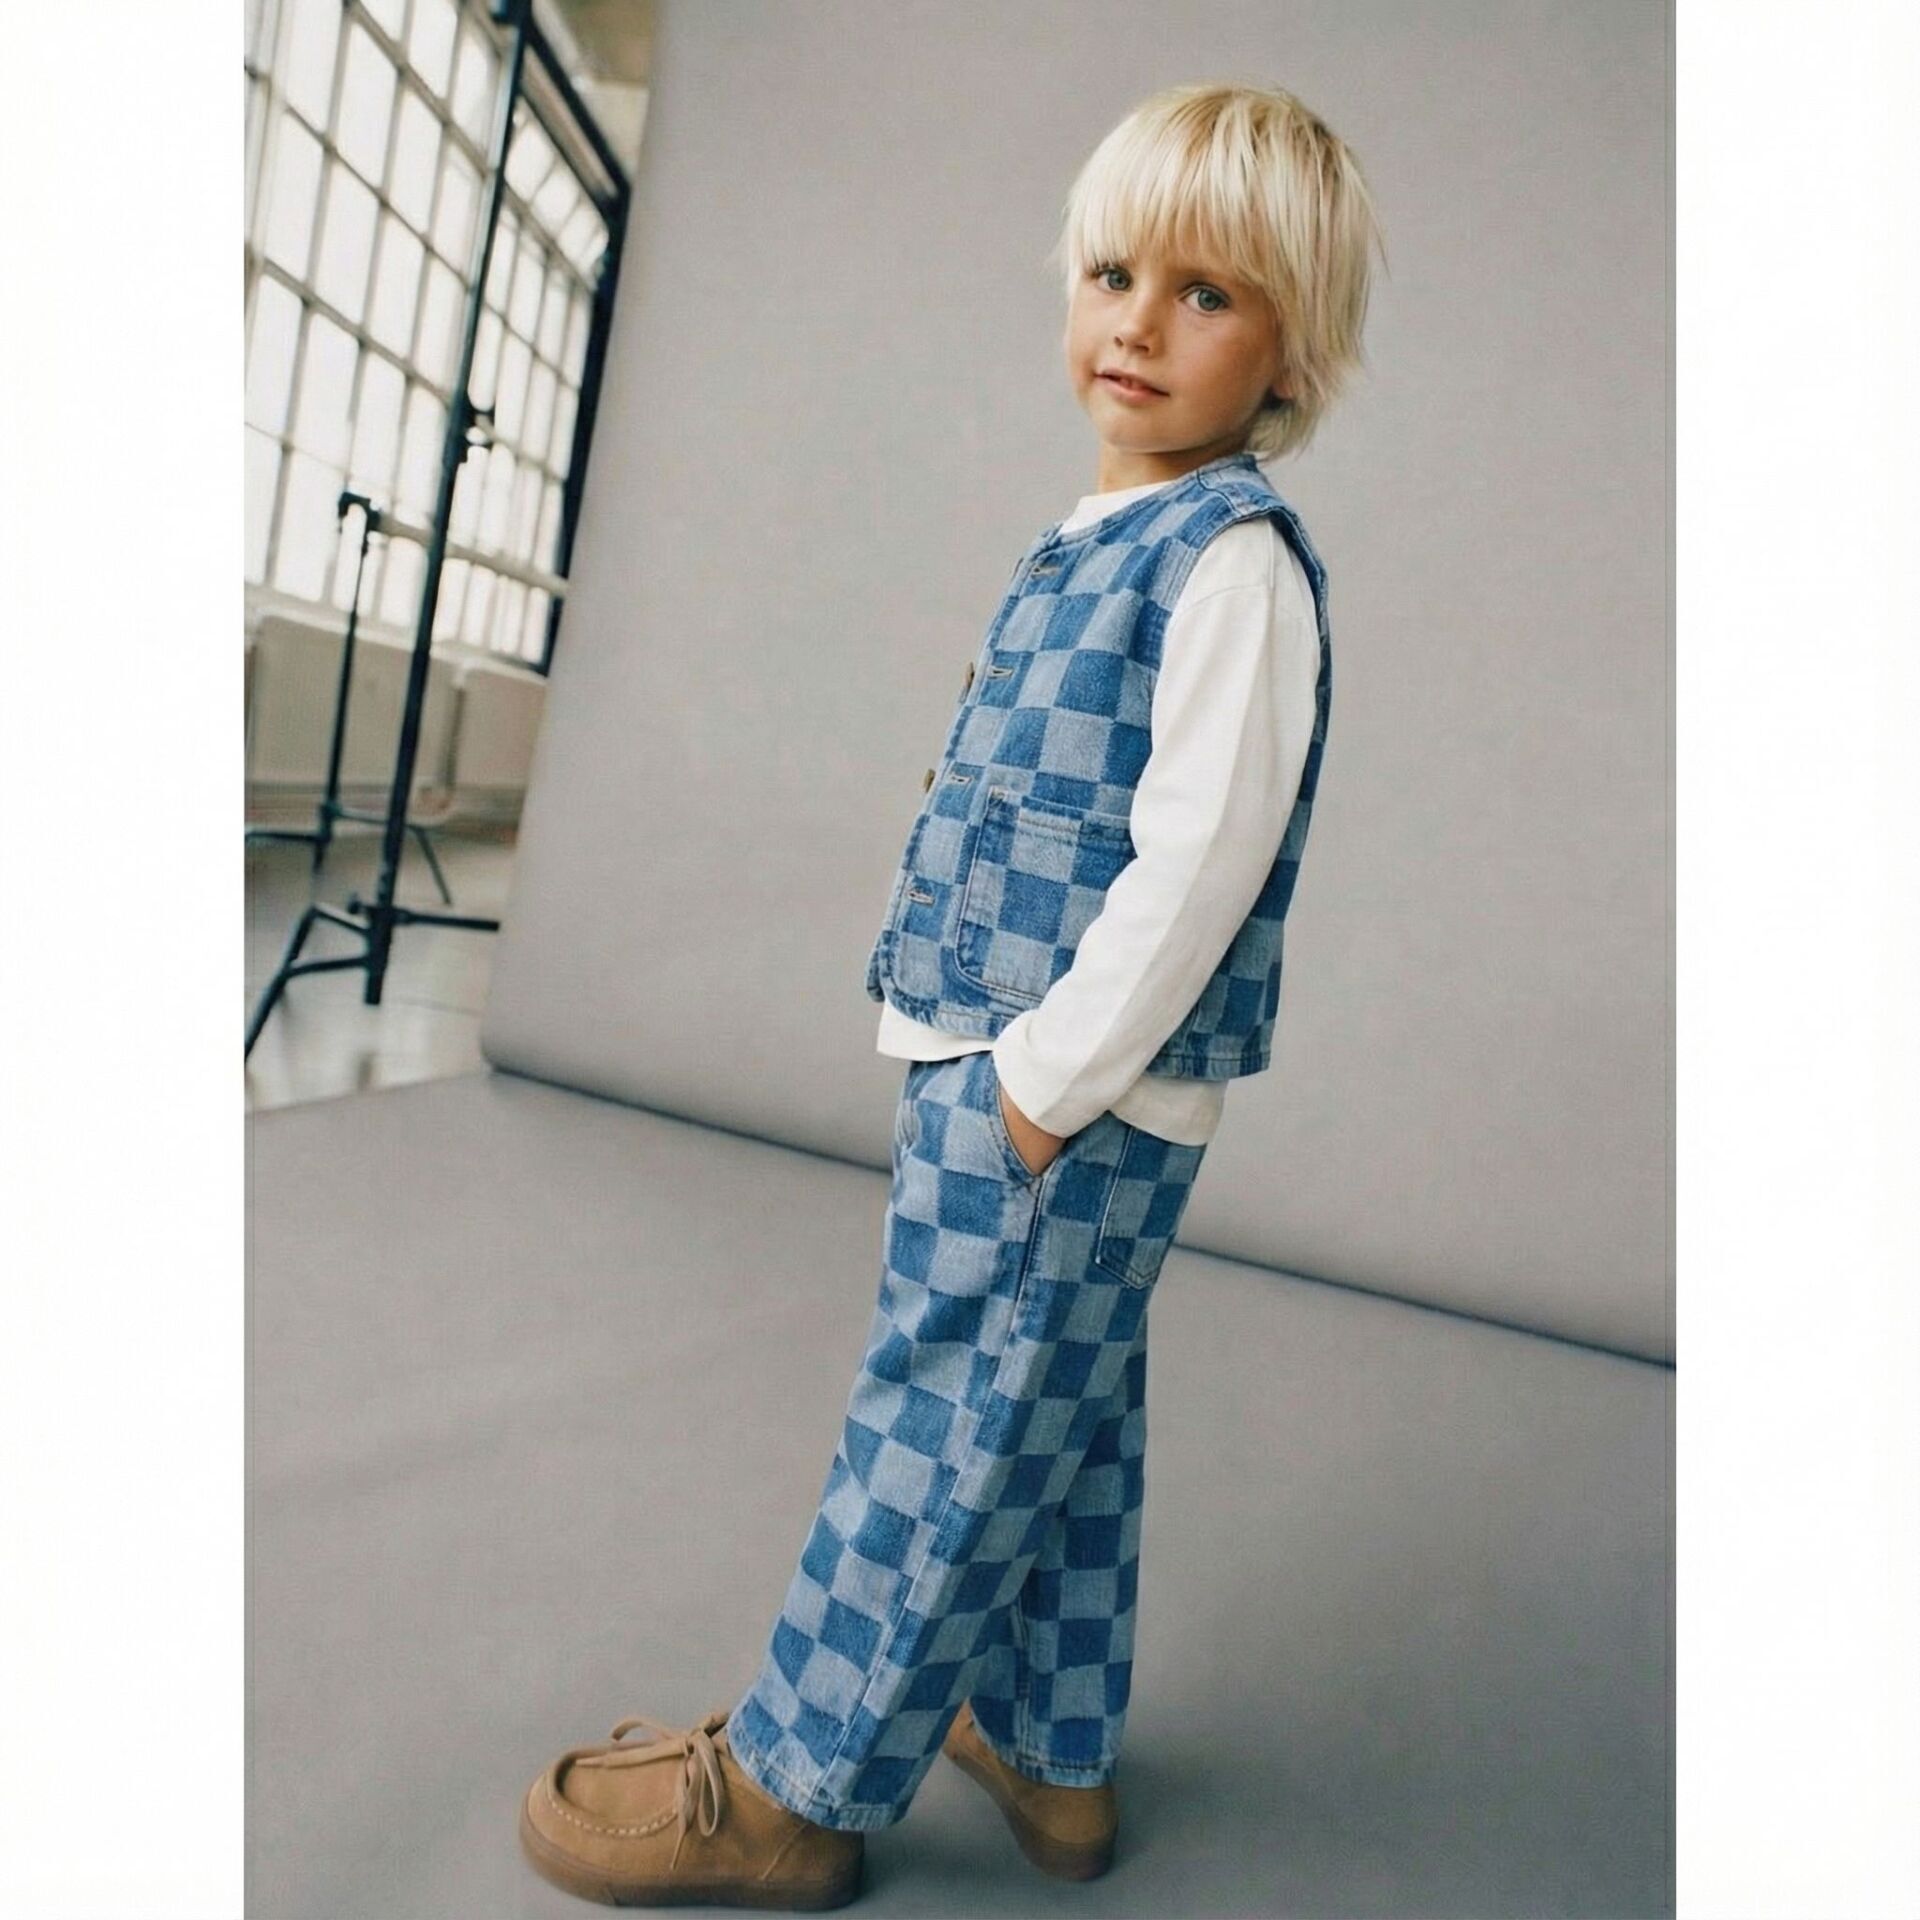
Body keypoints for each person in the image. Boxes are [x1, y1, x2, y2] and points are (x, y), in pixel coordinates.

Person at [519, 79, 1385, 1910]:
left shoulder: (1232, 567)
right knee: (1058, 1422)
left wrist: (1040, 1090)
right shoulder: (1102, 533)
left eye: (1207, 295)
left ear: (1291, 351)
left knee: (939, 1417)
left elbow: (1201, 865)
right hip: (1000, 1065)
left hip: (1061, 1093)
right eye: (1114, 273)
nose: (1139, 323)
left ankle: (796, 1790)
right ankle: (1048, 1749)